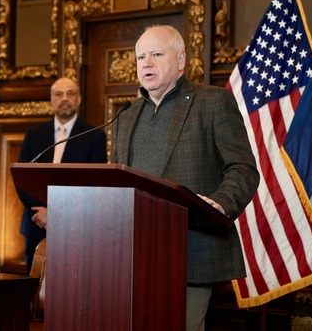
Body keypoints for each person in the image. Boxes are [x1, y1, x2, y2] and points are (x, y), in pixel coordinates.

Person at [111, 25, 259, 330]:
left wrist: (220, 202)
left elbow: (243, 168)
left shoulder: (213, 102)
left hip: (191, 249)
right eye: (140, 57)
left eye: (156, 54)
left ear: (180, 61)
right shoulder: (125, 115)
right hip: (132, 254)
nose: (146, 63)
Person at [17, 77, 107, 273]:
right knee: (34, 290)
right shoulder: (34, 134)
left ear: (79, 99)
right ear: (51, 99)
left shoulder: (94, 136)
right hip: (36, 225)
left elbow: (93, 183)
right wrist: (41, 213)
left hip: (76, 227)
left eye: (70, 93)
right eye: (59, 94)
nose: (64, 98)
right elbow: (22, 178)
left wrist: (57, 215)